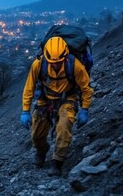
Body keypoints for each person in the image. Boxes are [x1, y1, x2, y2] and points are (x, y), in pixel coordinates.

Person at [20, 36, 93, 176]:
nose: (55, 65)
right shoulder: (38, 64)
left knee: (64, 125)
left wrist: (85, 109)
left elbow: (86, 88)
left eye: (59, 62)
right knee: (36, 134)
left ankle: (57, 161)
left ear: (66, 56)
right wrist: (25, 111)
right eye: (52, 63)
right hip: (45, 99)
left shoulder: (75, 65)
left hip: (68, 98)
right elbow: (29, 88)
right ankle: (41, 149)